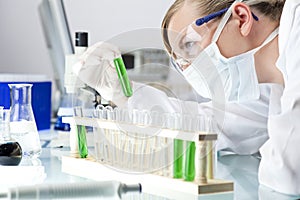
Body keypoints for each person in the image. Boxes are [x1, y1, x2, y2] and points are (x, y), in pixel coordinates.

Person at [73, 0, 300, 195]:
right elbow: (210, 125)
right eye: (181, 61)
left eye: (189, 45)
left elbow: (289, 173)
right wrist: (122, 93)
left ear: (241, 18)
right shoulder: (273, 86)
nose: (190, 69)